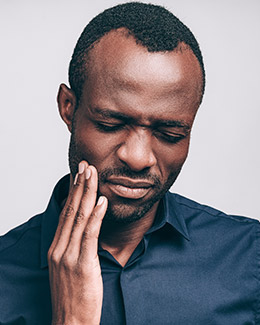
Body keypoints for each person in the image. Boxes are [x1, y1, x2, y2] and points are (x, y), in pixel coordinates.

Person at [0, 2, 259, 324]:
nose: (137, 158)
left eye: (170, 133)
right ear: (68, 107)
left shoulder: (250, 257)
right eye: (111, 124)